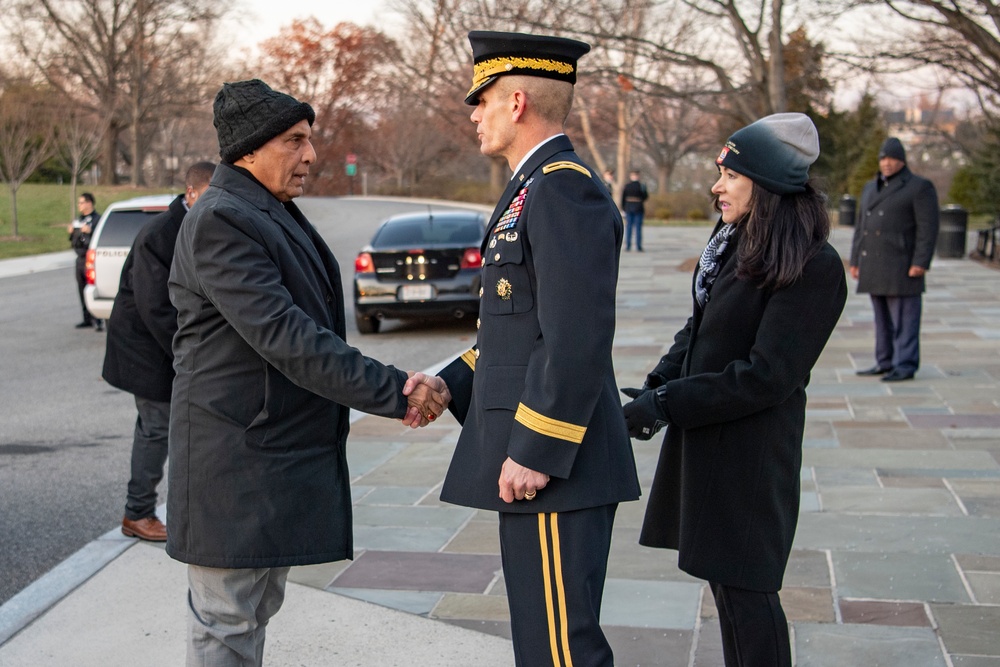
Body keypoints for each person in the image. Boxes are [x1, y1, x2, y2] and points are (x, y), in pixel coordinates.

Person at [167, 79, 448, 666]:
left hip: (270, 456)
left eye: (309, 140)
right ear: (248, 149)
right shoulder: (223, 218)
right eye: (295, 141)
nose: (311, 155)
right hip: (235, 464)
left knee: (251, 613)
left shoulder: (265, 210)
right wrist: (396, 391)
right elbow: (288, 337)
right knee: (226, 623)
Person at [431, 31, 640, 666]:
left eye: (483, 99)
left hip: (552, 466)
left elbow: (574, 339)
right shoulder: (534, 184)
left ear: (516, 101)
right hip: (540, 463)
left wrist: (535, 450)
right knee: (542, 644)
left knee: (561, 651)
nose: (475, 113)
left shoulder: (560, 187)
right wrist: (447, 382)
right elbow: (514, 330)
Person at [622, 113, 847, 667]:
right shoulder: (736, 241)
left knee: (749, 596)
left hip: (750, 455)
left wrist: (669, 403)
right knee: (726, 588)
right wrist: (656, 384)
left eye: (730, 176)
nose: (717, 187)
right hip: (709, 443)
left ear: (766, 184)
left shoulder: (813, 266)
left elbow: (767, 375)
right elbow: (698, 327)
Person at [102, 161, 215, 543]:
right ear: (191, 194)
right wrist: (191, 354)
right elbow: (156, 308)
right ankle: (138, 513)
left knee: (177, 429)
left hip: (167, 349)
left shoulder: (195, 226)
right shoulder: (160, 233)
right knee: (155, 429)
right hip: (144, 350)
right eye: (210, 195)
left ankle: (182, 510)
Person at [850, 137, 939, 382]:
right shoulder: (870, 188)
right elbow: (862, 227)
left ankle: (905, 364)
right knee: (881, 319)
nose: (887, 163)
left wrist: (920, 262)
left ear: (902, 161)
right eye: (883, 158)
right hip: (874, 264)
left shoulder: (919, 187)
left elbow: (928, 228)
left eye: (892, 158)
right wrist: (855, 259)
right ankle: (885, 360)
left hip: (902, 264)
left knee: (905, 319)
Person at [67, 192, 103, 330]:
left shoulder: (97, 219)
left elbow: (99, 237)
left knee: (92, 288)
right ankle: (86, 318)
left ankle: (98, 320)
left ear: (89, 203)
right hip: (80, 258)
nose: (79, 206)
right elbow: (74, 240)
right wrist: (72, 232)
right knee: (81, 288)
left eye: (81, 202)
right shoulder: (79, 220)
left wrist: (90, 231)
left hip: (91, 258)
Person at [620, 169, 648, 251]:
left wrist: (624, 208)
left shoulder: (627, 186)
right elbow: (645, 196)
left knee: (629, 227)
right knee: (638, 228)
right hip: (638, 207)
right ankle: (638, 246)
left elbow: (623, 198)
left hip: (629, 207)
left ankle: (628, 246)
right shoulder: (641, 186)